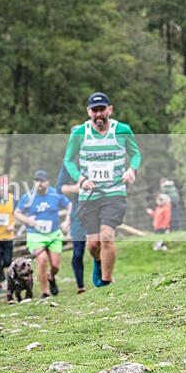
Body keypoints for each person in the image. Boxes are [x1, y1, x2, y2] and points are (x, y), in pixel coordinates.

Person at [63, 92, 141, 287]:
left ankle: (106, 282)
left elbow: (135, 154)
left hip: (114, 192)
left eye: (102, 110)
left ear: (110, 110)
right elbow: (68, 161)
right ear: (89, 112)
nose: (99, 114)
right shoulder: (79, 134)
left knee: (107, 235)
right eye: (95, 110)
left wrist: (132, 169)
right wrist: (80, 179)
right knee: (93, 244)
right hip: (89, 195)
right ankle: (99, 262)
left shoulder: (122, 130)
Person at [14, 170, 71, 298]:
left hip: (54, 233)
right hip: (35, 234)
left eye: (41, 181)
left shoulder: (55, 194)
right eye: (36, 181)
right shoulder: (28, 197)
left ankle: (51, 277)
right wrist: (28, 220)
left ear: (47, 182)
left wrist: (67, 221)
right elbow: (17, 213)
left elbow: (70, 206)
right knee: (42, 260)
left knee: (55, 265)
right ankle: (45, 292)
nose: (39, 183)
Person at [57, 159, 88, 294]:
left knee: (99, 245)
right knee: (78, 252)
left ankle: (104, 277)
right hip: (78, 213)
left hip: (100, 209)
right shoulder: (70, 162)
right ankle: (80, 286)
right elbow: (60, 187)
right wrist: (77, 187)